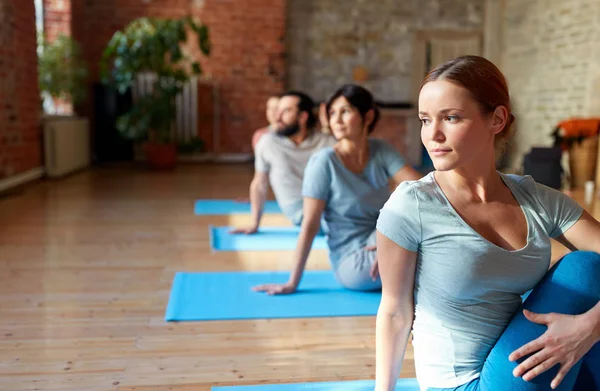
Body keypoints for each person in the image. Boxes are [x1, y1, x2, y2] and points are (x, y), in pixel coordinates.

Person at [374, 55, 600, 391]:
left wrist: (589, 327)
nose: (432, 134)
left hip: (521, 368)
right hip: (463, 383)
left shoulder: (534, 198)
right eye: (425, 120)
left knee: (586, 268)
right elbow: (394, 311)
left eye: (450, 117)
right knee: (582, 269)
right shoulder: (413, 204)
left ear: (496, 119)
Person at [253, 84, 422, 294]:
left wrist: (391, 239)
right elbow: (310, 226)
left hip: (384, 237)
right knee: (423, 256)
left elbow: (420, 189)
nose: (337, 120)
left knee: (432, 240)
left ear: (367, 117)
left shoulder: (381, 150)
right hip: (353, 258)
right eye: (332, 113)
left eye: (345, 111)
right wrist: (292, 283)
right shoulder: (323, 162)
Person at [232, 91, 336, 234]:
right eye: (277, 111)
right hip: (301, 211)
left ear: (302, 117)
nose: (277, 117)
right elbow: (259, 183)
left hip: (331, 206)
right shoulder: (267, 142)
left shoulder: (327, 141)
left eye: (286, 111)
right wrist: (254, 223)